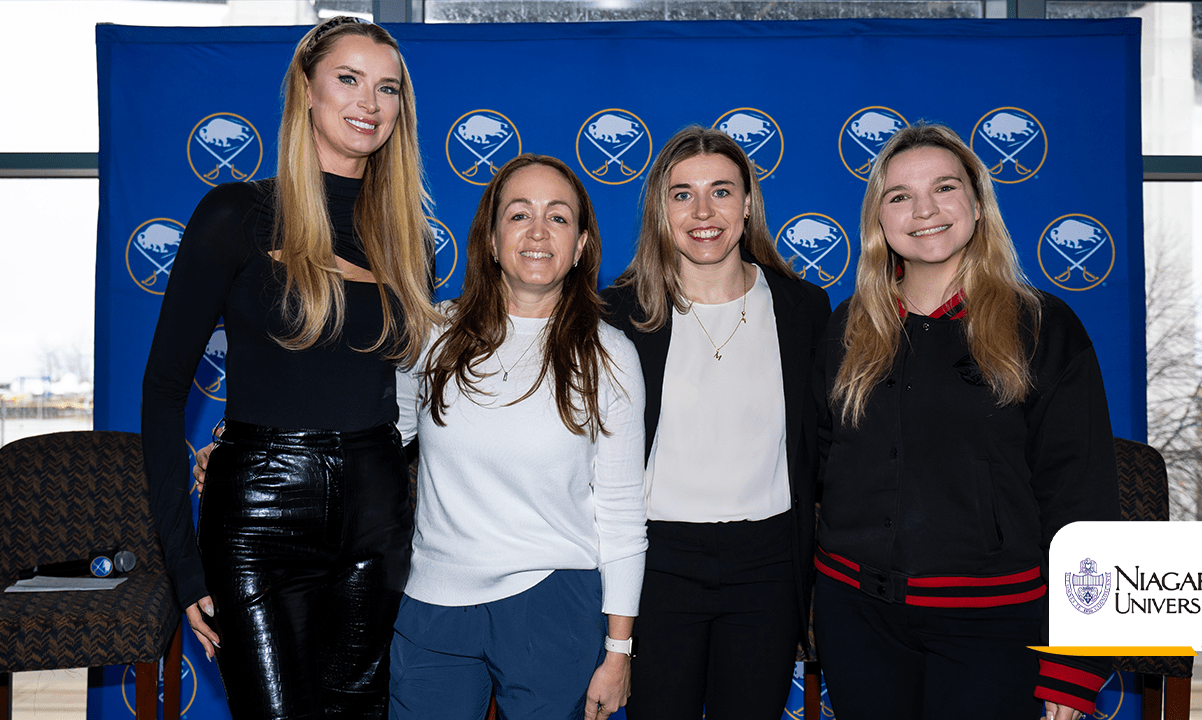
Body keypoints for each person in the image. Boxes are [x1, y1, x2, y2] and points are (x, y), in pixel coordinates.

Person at [141, 16, 438, 718]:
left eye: (387, 88)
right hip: (259, 518)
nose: (369, 102)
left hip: (377, 514)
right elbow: (162, 392)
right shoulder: (235, 214)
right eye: (348, 79)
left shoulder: (411, 241)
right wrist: (183, 566)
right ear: (306, 89)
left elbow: (408, 396)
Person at [812, 122, 1120, 720]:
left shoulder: (1043, 326)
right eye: (900, 196)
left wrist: (1076, 657)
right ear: (879, 219)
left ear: (978, 205)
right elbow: (821, 466)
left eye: (944, 188)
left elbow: (1082, 497)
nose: (924, 210)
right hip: (856, 618)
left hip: (994, 625)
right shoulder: (846, 326)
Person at [389, 154, 647, 720]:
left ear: (580, 246)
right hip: (434, 602)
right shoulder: (432, 334)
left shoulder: (610, 355)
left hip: (555, 604)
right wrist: (244, 443)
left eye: (558, 217)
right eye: (519, 214)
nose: (537, 232)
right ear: (490, 238)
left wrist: (619, 650)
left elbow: (623, 513)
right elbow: (375, 440)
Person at [600, 126, 830, 720]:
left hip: (768, 564)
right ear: (661, 209)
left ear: (748, 203)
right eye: (683, 195)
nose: (703, 212)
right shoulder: (620, 313)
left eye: (721, 191)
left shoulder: (803, 308)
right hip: (658, 563)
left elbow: (823, 446)